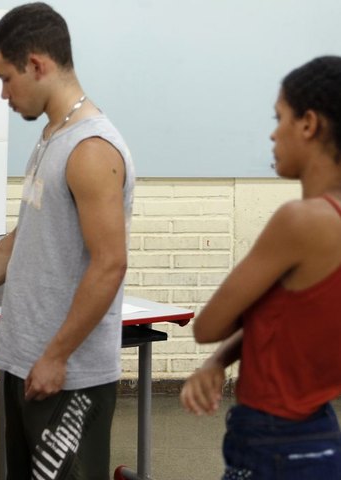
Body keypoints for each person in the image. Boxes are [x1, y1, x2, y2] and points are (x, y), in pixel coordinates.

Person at [0, 3, 135, 478]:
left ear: (37, 65)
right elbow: (23, 240)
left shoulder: (91, 149)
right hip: (26, 359)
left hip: (66, 375)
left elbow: (109, 265)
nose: (1, 94)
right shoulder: (53, 137)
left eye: (5, 78)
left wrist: (56, 357)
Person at [180, 56, 341, 478]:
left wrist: (214, 351)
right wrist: (221, 361)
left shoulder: (301, 220)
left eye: (279, 117)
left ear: (308, 124)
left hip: (273, 444)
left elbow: (208, 326)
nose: (273, 132)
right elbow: (288, 323)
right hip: (319, 434)